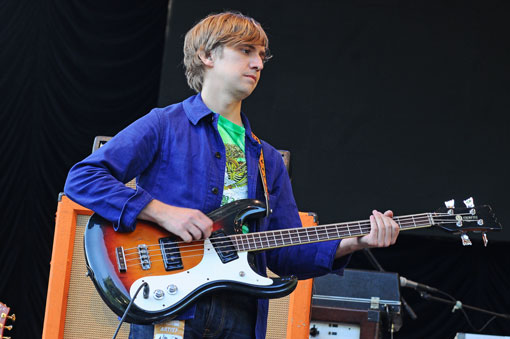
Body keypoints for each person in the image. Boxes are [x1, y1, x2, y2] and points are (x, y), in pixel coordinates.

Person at [64, 11, 399, 339]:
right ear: (207, 55)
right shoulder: (164, 125)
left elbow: (284, 253)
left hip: (239, 317)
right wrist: (161, 212)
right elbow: (83, 178)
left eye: (262, 56)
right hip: (171, 307)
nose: (258, 64)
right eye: (245, 51)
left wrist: (356, 241)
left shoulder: (267, 158)